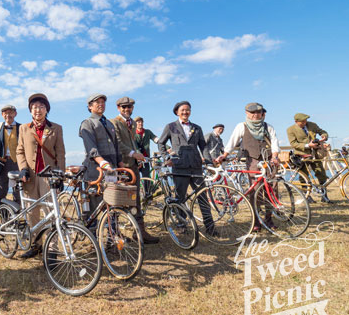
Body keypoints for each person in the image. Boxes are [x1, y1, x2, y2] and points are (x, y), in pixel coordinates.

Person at [215, 103, 280, 230]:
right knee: (255, 191)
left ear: (262, 113)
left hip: (268, 160)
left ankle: (268, 219)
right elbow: (232, 142)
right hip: (253, 161)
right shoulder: (241, 126)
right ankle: (256, 221)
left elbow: (275, 143)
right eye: (252, 112)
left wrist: (275, 156)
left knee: (271, 190)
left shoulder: (268, 127)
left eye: (258, 112)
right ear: (247, 113)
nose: (255, 115)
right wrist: (224, 155)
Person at [15, 93, 66, 258]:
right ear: (30, 110)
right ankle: (36, 245)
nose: (38, 110)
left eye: (41, 107)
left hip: (49, 177)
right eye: (34, 107)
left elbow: (60, 154)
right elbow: (20, 150)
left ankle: (52, 250)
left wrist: (60, 177)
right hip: (30, 176)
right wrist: (22, 168)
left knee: (51, 212)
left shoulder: (56, 128)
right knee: (32, 214)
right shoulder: (23, 128)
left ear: (47, 109)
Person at [157, 101, 215, 235]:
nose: (185, 112)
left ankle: (210, 227)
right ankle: (181, 225)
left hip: (196, 166)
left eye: (187, 110)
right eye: (182, 110)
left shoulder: (197, 128)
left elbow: (203, 146)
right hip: (180, 167)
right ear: (177, 112)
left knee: (202, 197)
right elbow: (161, 143)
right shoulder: (171, 127)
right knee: (180, 197)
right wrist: (167, 158)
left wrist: (208, 162)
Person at [110, 98, 159, 244]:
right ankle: (115, 234)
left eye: (129, 106)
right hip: (121, 166)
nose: (127, 109)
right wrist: (133, 154)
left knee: (135, 200)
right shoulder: (114, 122)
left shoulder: (132, 123)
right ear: (118, 108)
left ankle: (139, 232)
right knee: (117, 201)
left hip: (133, 166)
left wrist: (137, 157)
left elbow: (133, 143)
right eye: (124, 107)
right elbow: (117, 143)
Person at [79, 94, 122, 218]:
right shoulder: (87, 123)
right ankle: (92, 232)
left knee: (112, 199)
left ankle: (112, 233)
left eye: (103, 102)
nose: (101, 104)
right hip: (95, 167)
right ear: (90, 106)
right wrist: (102, 162)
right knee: (94, 200)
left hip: (111, 167)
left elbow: (116, 146)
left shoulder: (109, 124)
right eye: (97, 102)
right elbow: (90, 147)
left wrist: (120, 164)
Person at [287, 113, 329, 189]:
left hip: (315, 154)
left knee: (321, 174)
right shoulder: (290, 130)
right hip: (301, 155)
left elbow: (321, 131)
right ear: (296, 121)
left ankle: (324, 195)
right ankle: (306, 195)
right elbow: (293, 144)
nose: (304, 122)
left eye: (305, 120)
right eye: (302, 121)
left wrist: (324, 136)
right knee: (304, 176)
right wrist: (308, 145)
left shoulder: (312, 125)